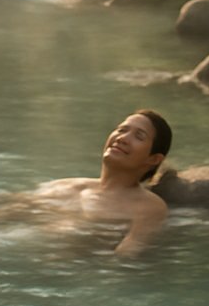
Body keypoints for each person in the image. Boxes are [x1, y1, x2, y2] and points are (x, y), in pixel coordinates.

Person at [33, 110, 172, 256]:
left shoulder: (148, 207)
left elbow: (124, 259)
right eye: (122, 130)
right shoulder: (62, 186)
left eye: (139, 136)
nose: (122, 138)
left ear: (153, 159)